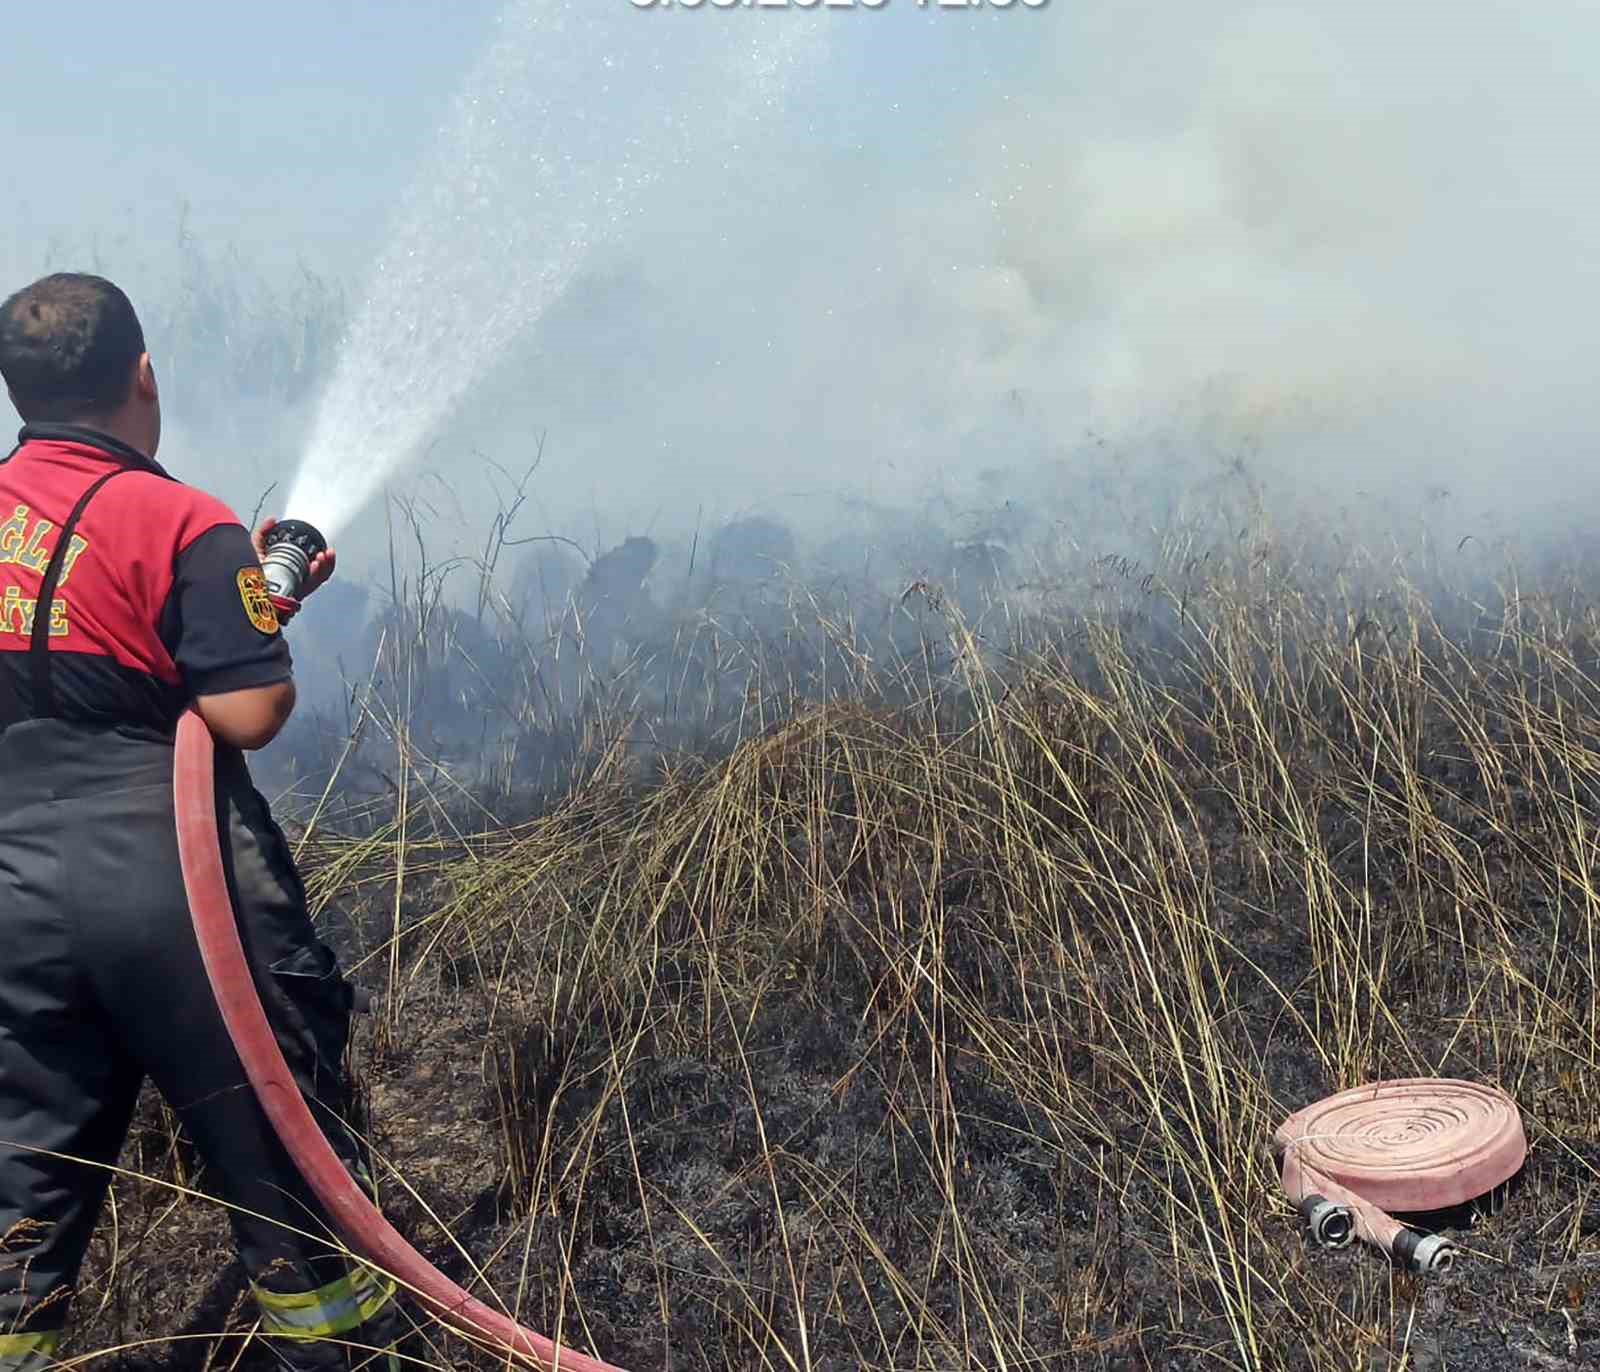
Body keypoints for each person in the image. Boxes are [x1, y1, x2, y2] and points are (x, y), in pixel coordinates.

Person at [0, 274, 403, 1369]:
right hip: (176, 888)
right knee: (278, 1148)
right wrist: (255, 610)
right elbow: (246, 710)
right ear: (143, 375)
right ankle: (329, 1350)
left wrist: (242, 610)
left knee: (21, 1185)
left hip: (17, 893)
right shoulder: (185, 521)